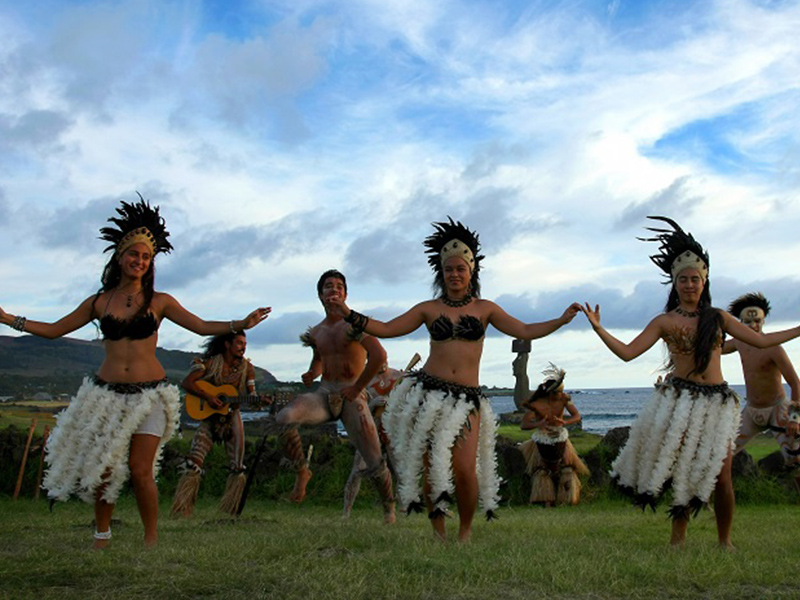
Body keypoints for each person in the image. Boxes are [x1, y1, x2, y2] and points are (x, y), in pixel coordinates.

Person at [0, 196, 270, 548]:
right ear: (120, 257)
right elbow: (55, 329)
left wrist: (239, 323)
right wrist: (9, 319)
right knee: (106, 470)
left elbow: (202, 326)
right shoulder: (100, 301)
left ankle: (151, 539)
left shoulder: (161, 302)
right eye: (134, 254)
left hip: (150, 397)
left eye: (146, 257)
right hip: (106, 396)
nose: (139, 261)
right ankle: (102, 533)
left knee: (142, 471)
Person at [331, 218, 581, 542]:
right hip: (430, 393)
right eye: (448, 269)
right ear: (441, 272)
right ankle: (438, 533)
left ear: (471, 271)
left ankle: (464, 531)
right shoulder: (428, 309)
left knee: (464, 470)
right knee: (433, 468)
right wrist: (349, 313)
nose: (454, 274)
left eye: (460, 268)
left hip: (467, 400)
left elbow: (524, 330)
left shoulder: (485, 309)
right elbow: (388, 328)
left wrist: (561, 320)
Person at [581, 216, 800, 549]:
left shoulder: (718, 318)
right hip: (681, 402)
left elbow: (760, 341)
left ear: (704, 280)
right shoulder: (665, 321)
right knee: (683, 470)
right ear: (674, 283)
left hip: (717, 403)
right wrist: (599, 328)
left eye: (695, 279)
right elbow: (628, 353)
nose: (689, 285)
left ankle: (724, 540)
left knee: (722, 475)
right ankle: (677, 538)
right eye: (683, 280)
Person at [274, 269, 396, 523]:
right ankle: (302, 472)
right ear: (320, 294)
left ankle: (389, 511)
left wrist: (357, 387)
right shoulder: (317, 332)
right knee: (285, 417)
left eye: (340, 286)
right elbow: (319, 360)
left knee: (374, 460)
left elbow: (379, 356)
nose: (335, 289)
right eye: (329, 286)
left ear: (346, 294)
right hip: (325, 393)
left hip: (353, 395)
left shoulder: (356, 325)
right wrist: (311, 373)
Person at [171, 331, 261, 517]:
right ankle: (183, 508)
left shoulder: (247, 368)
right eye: (239, 343)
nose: (243, 347)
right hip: (210, 417)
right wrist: (208, 397)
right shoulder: (211, 364)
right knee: (194, 462)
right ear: (227, 345)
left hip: (232, 415)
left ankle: (231, 509)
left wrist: (259, 400)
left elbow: (252, 395)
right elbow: (187, 383)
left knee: (238, 465)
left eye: (245, 343)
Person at [722, 292, 800, 495]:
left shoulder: (774, 347)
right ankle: (709, 500)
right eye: (747, 322)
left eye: (757, 321)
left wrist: (794, 418)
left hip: (778, 409)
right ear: (740, 323)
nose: (753, 326)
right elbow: (716, 348)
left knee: (796, 459)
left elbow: (795, 383)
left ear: (764, 320)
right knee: (722, 454)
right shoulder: (739, 343)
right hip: (751, 411)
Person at [519, 364, 589, 507]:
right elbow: (524, 425)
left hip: (560, 437)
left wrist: (564, 421)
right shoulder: (536, 404)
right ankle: (546, 500)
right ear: (549, 393)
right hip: (541, 440)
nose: (560, 395)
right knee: (542, 471)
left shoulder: (564, 399)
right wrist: (539, 424)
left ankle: (567, 498)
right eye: (557, 392)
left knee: (567, 468)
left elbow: (577, 416)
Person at [342, 362, 403, 518]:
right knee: (357, 469)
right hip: (370, 428)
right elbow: (355, 407)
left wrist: (394, 404)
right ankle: (346, 511)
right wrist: (371, 404)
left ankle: (401, 509)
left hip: (392, 427)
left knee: (401, 471)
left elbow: (408, 404)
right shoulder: (364, 380)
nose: (382, 364)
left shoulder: (399, 376)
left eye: (384, 361)